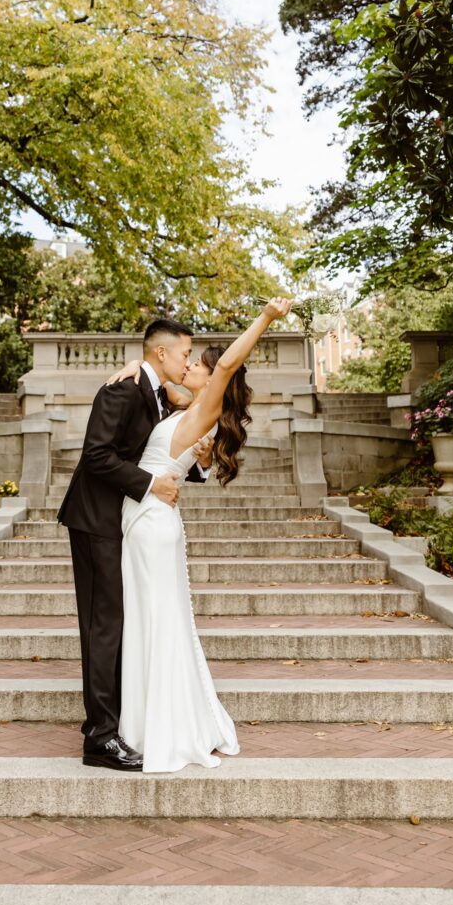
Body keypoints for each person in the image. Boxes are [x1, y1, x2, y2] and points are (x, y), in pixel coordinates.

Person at [114, 297, 292, 772]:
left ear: (215, 380)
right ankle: (156, 723)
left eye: (199, 365)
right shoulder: (186, 410)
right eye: (187, 360)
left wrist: (266, 318)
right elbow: (164, 394)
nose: (189, 365)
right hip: (149, 520)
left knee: (158, 623)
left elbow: (230, 361)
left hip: (152, 524)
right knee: (155, 622)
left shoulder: (204, 407)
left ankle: (160, 730)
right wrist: (138, 363)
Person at [57, 319, 214, 771]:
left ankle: (118, 724)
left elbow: (167, 445)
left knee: (117, 622)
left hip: (125, 521)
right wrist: (151, 487)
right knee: (104, 625)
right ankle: (99, 740)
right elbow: (96, 454)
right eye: (185, 353)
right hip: (96, 521)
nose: (189, 361)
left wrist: (195, 466)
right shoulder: (121, 391)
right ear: (162, 353)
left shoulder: (153, 390)